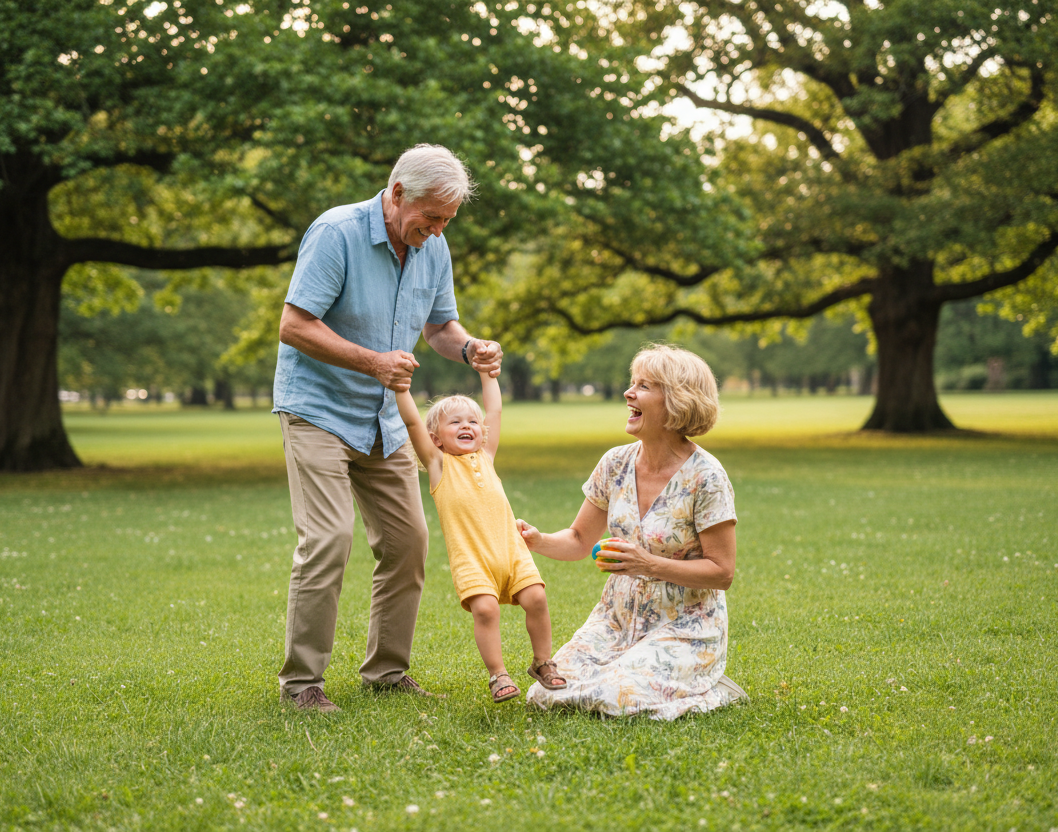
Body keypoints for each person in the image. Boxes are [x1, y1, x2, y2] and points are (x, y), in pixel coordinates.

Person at [273, 144, 503, 712]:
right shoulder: (337, 233)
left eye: (448, 220)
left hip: (386, 418)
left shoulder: (434, 246)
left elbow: (440, 326)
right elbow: (294, 325)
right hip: (319, 409)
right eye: (431, 217)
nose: (438, 229)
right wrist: (374, 361)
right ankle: (302, 683)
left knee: (409, 542)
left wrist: (472, 348)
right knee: (328, 539)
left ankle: (386, 672)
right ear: (397, 194)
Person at [516, 344, 749, 720]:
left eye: (644, 386)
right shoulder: (615, 463)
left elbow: (722, 573)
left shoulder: (706, 477)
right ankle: (629, 669)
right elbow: (578, 540)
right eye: (632, 383)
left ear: (676, 401)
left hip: (685, 626)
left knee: (618, 696)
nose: (629, 393)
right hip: (615, 619)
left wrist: (648, 564)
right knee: (547, 693)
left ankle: (710, 687)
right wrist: (536, 540)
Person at [395, 373, 567, 704]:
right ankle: (498, 674)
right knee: (486, 610)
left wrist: (488, 376)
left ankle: (542, 662)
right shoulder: (439, 465)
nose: (468, 426)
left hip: (511, 551)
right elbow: (413, 423)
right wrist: (401, 388)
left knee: (536, 599)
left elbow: (496, 412)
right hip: (471, 557)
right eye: (455, 422)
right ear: (436, 439)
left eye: (473, 421)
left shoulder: (486, 458)